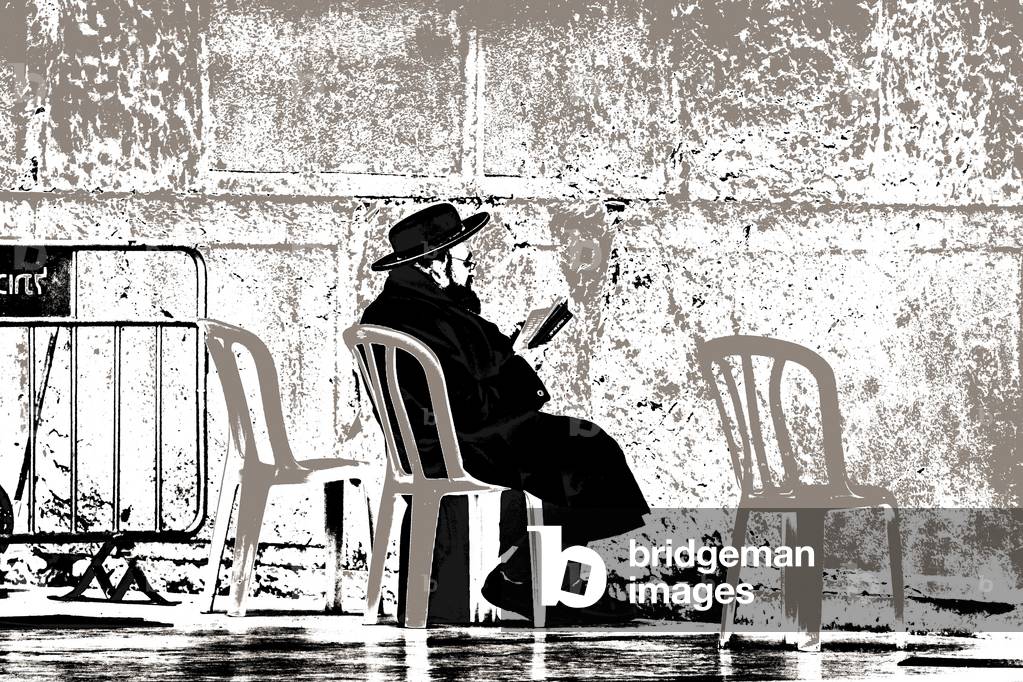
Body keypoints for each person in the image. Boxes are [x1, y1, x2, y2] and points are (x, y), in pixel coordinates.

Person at [359, 203, 650, 623]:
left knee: (571, 447)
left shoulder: (391, 310)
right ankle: (523, 576)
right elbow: (467, 402)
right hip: (464, 445)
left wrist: (500, 355)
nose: (471, 262)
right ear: (433, 263)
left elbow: (451, 381)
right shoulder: (437, 314)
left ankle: (544, 580)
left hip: (427, 445)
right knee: (590, 448)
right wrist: (511, 361)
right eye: (462, 255)